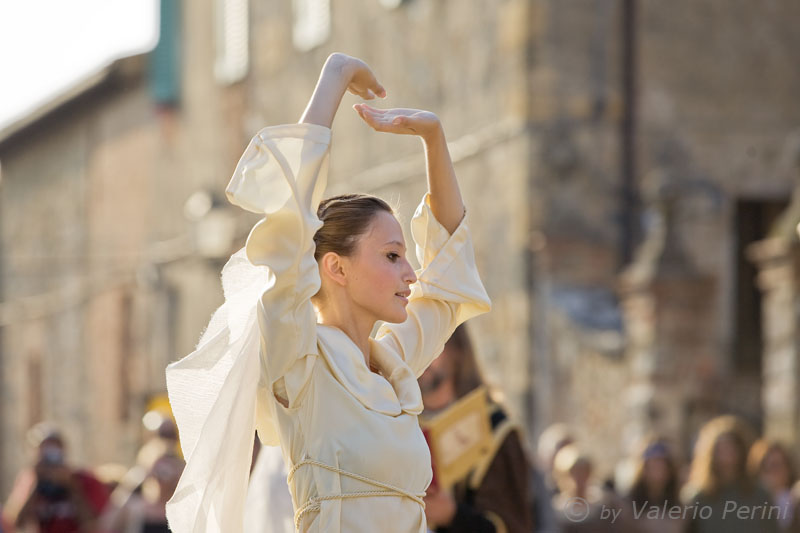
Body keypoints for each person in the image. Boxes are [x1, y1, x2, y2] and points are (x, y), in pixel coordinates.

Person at [165, 53, 491, 533]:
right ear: (335, 267)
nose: (411, 274)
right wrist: (334, 78)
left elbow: (445, 279)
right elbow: (288, 227)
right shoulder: (299, 359)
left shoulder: (394, 365)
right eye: (392, 256)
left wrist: (434, 139)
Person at [417, 324, 534, 532]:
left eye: (433, 346)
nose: (422, 356)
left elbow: (513, 525)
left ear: (457, 352)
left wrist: (452, 514)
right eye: (415, 345)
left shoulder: (496, 429)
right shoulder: (395, 421)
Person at [2, 423, 109, 533]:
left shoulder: (86, 480)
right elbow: (13, 523)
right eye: (43, 449)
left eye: (54, 447)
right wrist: (35, 486)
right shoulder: (29, 480)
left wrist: (72, 486)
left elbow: (94, 525)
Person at [683, 415, 778, 533]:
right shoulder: (698, 497)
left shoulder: (759, 495)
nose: (727, 457)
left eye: (732, 449)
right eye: (721, 450)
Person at [626, 438, 686, 533]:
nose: (658, 470)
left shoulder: (679, 504)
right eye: (654, 465)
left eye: (662, 465)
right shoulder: (629, 503)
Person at [747, 439, 797, 531]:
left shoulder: (796, 502)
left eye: (777, 465)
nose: (772, 472)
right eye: (766, 467)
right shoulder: (747, 504)